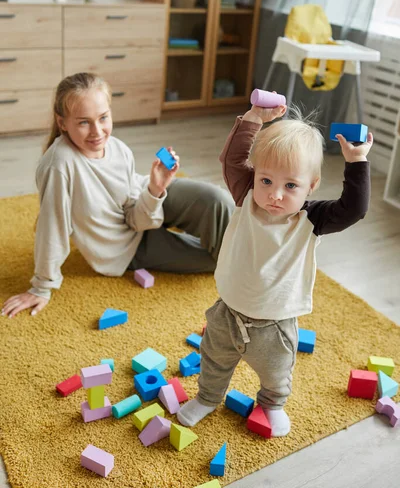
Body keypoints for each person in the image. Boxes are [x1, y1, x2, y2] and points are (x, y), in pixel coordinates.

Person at [177, 101, 373, 436]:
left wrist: (356, 162)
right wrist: (253, 119)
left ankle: (271, 404)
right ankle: (208, 397)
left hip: (275, 324)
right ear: (255, 176)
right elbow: (231, 160)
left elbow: (353, 209)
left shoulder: (312, 218)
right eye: (266, 180)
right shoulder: (246, 195)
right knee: (214, 361)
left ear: (310, 187)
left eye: (291, 186)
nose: (275, 195)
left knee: (276, 373)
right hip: (228, 311)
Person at [1, 72, 234, 318]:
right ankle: (246, 263)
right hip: (125, 246)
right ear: (62, 123)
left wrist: (156, 187)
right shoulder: (59, 165)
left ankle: (252, 249)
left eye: (103, 118)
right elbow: (53, 227)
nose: (97, 131)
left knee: (216, 199)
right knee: (217, 260)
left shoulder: (118, 148)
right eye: (83, 122)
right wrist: (41, 286)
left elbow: (136, 213)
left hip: (143, 200)